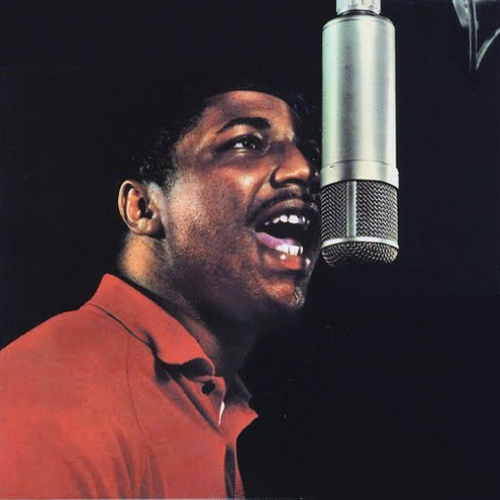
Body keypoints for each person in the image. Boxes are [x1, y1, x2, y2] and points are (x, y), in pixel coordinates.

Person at [0, 83, 320, 499]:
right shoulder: (52, 390)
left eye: (307, 152)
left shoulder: (209, 399)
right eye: (246, 143)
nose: (303, 169)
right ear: (143, 208)